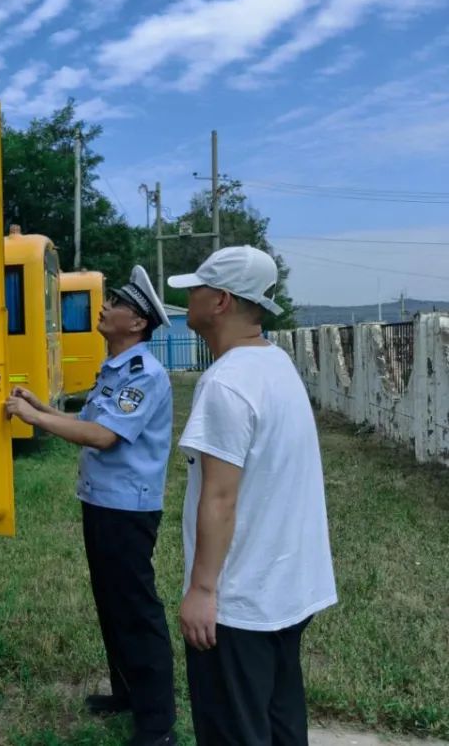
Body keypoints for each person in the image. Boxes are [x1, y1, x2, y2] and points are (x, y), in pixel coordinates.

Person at [167, 246, 337, 745]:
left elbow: (219, 498)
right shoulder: (275, 365)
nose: (189, 297)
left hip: (240, 602)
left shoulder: (226, 382)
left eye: (196, 288)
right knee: (281, 723)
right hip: (287, 589)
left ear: (219, 301)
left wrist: (201, 591)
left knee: (234, 731)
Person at [6, 265, 177, 746]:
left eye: (116, 304)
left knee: (136, 609)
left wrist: (33, 418)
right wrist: (38, 406)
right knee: (111, 603)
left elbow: (102, 436)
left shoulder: (146, 374)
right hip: (102, 501)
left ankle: (157, 724)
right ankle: (126, 692)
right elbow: (84, 420)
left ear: (138, 322)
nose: (104, 307)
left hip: (128, 508)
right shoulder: (115, 369)